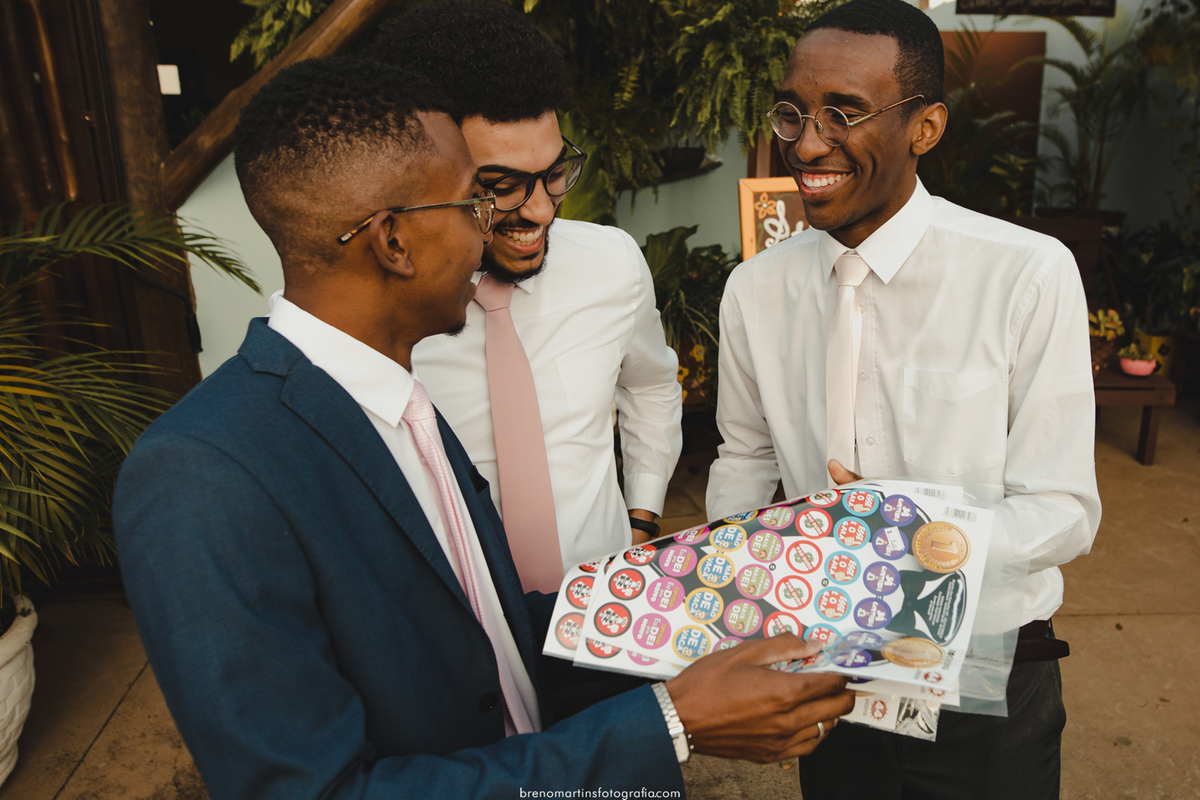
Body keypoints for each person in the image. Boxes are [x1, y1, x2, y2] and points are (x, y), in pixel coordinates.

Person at [113, 56, 854, 799]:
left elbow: (487, 633)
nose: (496, 226)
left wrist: (711, 602)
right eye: (475, 201)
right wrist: (672, 724)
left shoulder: (397, 399)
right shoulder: (201, 476)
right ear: (393, 242)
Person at [705, 1, 1102, 797]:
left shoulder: (1025, 275)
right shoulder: (756, 289)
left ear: (925, 127)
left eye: (843, 114)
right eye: (793, 112)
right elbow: (744, 460)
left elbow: (1063, 510)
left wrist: (911, 537)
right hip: (828, 668)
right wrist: (738, 606)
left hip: (983, 675)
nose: (806, 144)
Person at [366, 2, 683, 595]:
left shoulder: (612, 265)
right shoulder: (367, 322)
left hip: (608, 605)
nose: (540, 210)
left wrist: (641, 518)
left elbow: (650, 386)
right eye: (501, 186)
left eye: (554, 173)